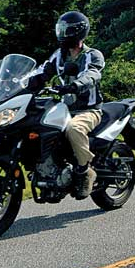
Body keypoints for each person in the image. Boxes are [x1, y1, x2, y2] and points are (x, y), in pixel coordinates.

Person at [35, 10, 105, 199]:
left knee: (74, 129)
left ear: (77, 32)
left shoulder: (92, 55)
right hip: (64, 109)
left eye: (66, 30)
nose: (62, 34)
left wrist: (75, 85)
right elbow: (42, 71)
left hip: (89, 110)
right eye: (61, 29)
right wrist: (24, 84)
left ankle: (84, 171)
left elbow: (93, 74)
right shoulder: (59, 55)